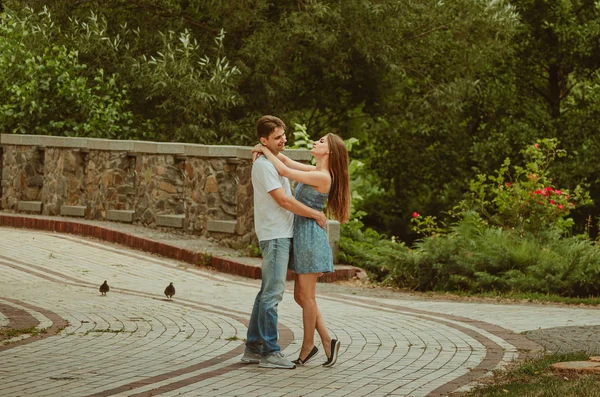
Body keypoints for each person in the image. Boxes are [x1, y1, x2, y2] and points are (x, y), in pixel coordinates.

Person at [253, 132, 350, 367]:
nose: (316, 142)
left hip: (310, 239)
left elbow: (284, 172)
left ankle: (309, 345)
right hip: (302, 237)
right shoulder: (313, 170)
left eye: (322, 141)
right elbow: (285, 162)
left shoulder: (323, 176)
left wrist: (264, 150)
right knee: (300, 296)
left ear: (329, 151)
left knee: (307, 297)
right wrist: (264, 147)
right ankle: (327, 340)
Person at [242, 115, 327, 370]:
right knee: (272, 294)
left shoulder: (271, 160)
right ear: (264, 139)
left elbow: (289, 166)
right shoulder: (264, 166)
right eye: (277, 137)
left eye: (283, 135)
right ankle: (270, 352)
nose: (283, 140)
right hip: (275, 236)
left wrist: (264, 151)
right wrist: (315, 214)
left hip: (278, 234)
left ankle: (253, 348)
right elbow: (284, 201)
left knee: (265, 292)